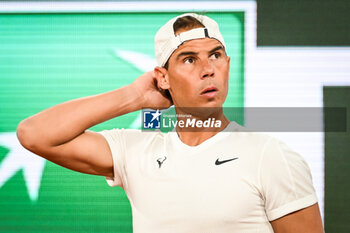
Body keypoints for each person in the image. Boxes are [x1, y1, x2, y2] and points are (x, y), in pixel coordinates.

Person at [16, 13, 324, 233]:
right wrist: (133, 96)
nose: (208, 69)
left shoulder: (270, 156)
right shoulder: (137, 151)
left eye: (215, 56)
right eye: (189, 59)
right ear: (162, 77)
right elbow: (34, 134)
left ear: (227, 65)